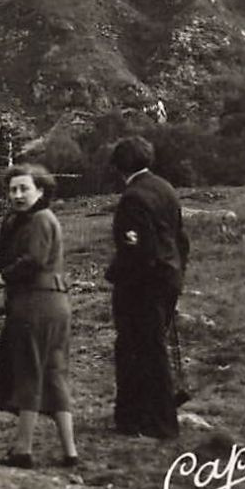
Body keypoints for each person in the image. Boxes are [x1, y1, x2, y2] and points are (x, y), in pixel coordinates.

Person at [0, 164, 78, 468]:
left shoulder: (38, 220)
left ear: (40, 190)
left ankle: (23, 450)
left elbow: (33, 260)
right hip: (55, 302)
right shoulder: (41, 218)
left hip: (34, 303)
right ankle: (69, 451)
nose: (17, 194)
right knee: (54, 374)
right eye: (12, 189)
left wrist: (4, 277)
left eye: (24, 188)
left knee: (28, 372)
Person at [105, 135, 190, 439]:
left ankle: (154, 421)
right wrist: (177, 273)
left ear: (119, 166)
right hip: (167, 279)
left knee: (139, 350)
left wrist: (113, 274)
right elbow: (181, 240)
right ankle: (142, 417)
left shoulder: (133, 198)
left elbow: (138, 251)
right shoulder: (165, 188)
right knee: (149, 349)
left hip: (142, 286)